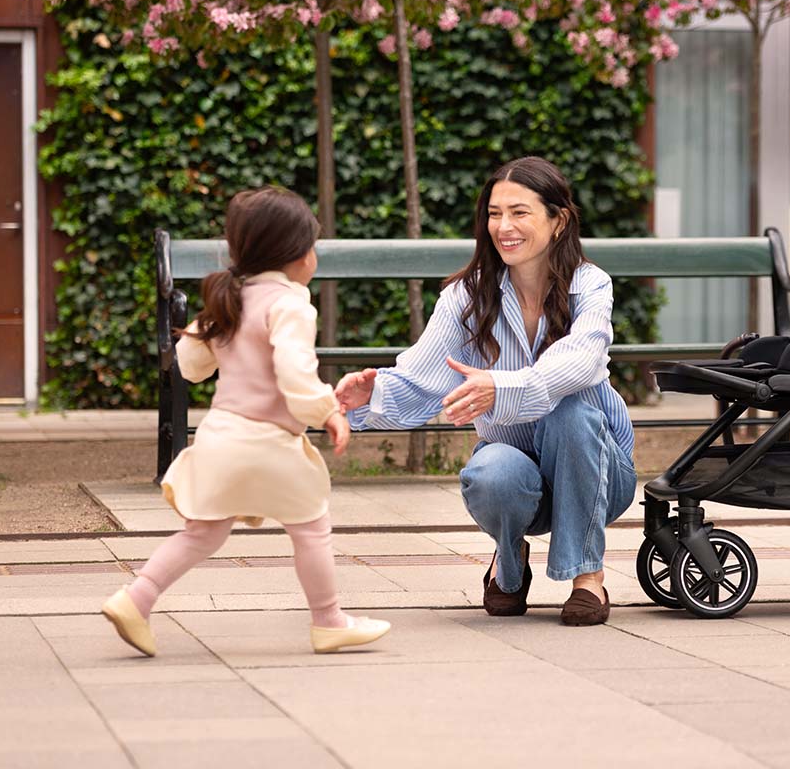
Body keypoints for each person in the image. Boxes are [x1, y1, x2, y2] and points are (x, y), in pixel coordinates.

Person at [335, 157, 636, 626]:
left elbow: (580, 361)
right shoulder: (467, 295)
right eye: (495, 214)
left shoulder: (589, 285)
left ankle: (588, 577)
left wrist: (501, 386)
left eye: (519, 212)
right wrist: (368, 397)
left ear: (557, 221)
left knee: (571, 412)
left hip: (599, 472)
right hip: (518, 473)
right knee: (490, 469)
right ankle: (508, 562)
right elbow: (422, 375)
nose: (503, 226)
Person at [101, 186, 390, 656]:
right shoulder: (291, 304)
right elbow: (296, 375)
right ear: (295, 255)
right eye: (312, 246)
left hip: (220, 438)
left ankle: (136, 598)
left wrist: (207, 326)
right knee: (312, 528)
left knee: (204, 532)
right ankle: (330, 620)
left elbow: (191, 366)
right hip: (270, 443)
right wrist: (328, 411)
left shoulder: (229, 298)